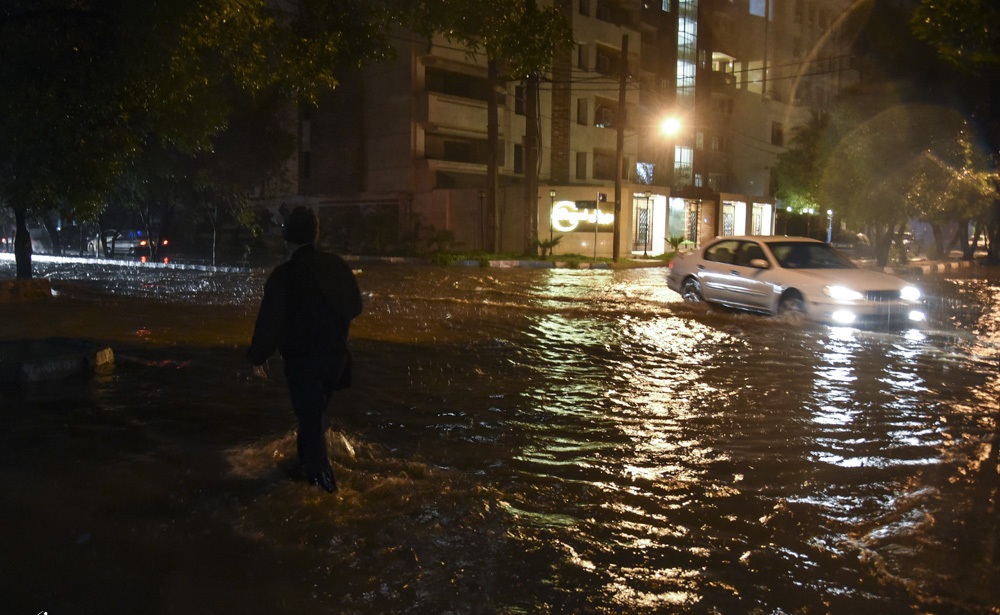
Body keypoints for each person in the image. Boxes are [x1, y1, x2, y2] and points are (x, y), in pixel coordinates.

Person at [248, 206, 363, 493]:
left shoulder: (284, 276)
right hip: (336, 360)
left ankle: (325, 490)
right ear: (316, 235)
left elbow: (269, 323)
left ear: (287, 236)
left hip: (303, 363)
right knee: (313, 418)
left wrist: (257, 356)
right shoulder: (337, 265)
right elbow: (355, 307)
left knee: (310, 421)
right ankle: (303, 473)